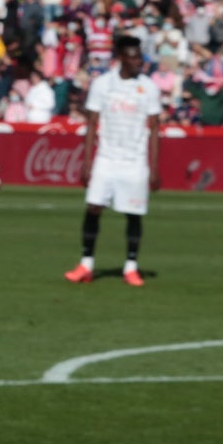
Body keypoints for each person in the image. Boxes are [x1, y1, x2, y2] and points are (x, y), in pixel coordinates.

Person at [66, 33, 162, 287]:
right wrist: (87, 163)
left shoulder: (149, 88)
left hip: (135, 160)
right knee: (93, 208)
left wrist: (154, 167)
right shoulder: (102, 85)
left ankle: (131, 267)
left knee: (133, 213)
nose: (138, 61)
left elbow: (154, 129)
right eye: (132, 57)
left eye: (139, 56)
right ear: (120, 58)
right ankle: (86, 264)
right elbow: (92, 124)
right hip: (106, 158)